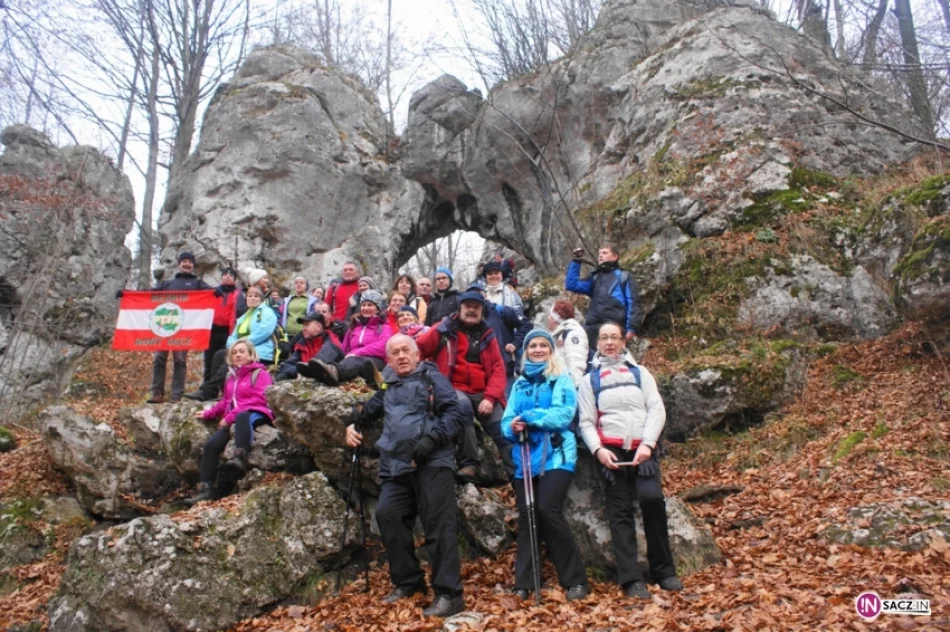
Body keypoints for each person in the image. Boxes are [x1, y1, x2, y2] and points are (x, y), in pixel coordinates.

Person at [345, 335, 466, 617]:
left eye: (405, 351)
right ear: (388, 360)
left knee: (438, 526)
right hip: (395, 467)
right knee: (388, 515)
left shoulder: (431, 378)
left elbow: (456, 413)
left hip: (433, 462)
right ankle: (409, 582)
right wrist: (350, 424)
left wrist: (431, 440)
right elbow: (363, 412)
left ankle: (450, 594)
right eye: (395, 352)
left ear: (416, 354)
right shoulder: (388, 387)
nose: (401, 356)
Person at [577, 322, 684, 598]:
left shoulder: (641, 373)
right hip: (611, 453)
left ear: (624, 342)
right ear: (597, 343)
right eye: (604, 338)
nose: (609, 342)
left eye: (614, 337)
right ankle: (631, 578)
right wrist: (599, 451)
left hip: (643, 451)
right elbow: (586, 422)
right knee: (619, 509)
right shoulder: (590, 381)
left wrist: (648, 444)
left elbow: (656, 409)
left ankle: (665, 571)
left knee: (652, 500)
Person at [501, 329, 590, 601]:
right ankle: (524, 582)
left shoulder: (561, 380)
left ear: (551, 350)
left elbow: (563, 415)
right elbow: (506, 422)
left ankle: (575, 579)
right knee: (528, 516)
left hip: (557, 455)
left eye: (543, 345)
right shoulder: (518, 385)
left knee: (546, 508)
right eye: (533, 346)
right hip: (525, 459)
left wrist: (527, 417)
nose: (538, 349)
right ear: (526, 351)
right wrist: (513, 426)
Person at [416, 288, 512, 479]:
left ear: (482, 311)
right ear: (459, 308)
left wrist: (491, 398)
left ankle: (516, 474)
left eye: (476, 307)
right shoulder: (444, 328)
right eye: (468, 306)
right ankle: (470, 464)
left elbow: (498, 369)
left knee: (502, 427)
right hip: (451, 388)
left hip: (483, 392)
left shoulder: (488, 335)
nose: (471, 310)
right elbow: (418, 348)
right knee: (461, 407)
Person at [186, 340, 274, 505]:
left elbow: (259, 399)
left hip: (257, 412)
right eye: (234, 353)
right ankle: (206, 489)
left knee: (242, 417)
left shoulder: (260, 374)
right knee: (211, 445)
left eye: (242, 352)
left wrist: (229, 416)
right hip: (236, 417)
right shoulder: (231, 377)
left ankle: (240, 456)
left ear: (250, 355)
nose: (238, 355)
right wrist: (209, 413)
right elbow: (226, 401)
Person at [185, 286, 278, 401]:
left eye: (256, 296)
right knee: (219, 355)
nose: (252, 298)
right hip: (242, 348)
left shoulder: (267, 312)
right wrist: (232, 346)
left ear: (261, 299)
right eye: (250, 296)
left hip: (259, 350)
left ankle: (207, 391)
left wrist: (242, 345)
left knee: (230, 361)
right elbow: (233, 335)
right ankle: (218, 392)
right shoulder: (244, 316)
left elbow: (263, 332)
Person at [146, 251, 212, 403]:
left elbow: (211, 293)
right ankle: (157, 392)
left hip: (184, 328)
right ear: (179, 264)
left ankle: (176, 395)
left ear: (193, 265)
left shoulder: (198, 283)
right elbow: (149, 294)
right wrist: (127, 294)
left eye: (190, 262)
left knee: (180, 360)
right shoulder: (167, 284)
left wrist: (221, 291)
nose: (187, 264)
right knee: (159, 358)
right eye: (184, 261)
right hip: (164, 326)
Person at [309, 290, 392, 389]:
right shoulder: (354, 327)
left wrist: (357, 353)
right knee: (332, 346)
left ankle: (336, 372)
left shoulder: (384, 328)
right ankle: (315, 368)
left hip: (374, 362)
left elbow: (383, 347)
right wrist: (344, 355)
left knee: (357, 360)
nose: (366, 308)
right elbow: (344, 347)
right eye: (363, 305)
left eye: (370, 305)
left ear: (377, 309)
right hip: (351, 358)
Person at [565, 244, 641, 352]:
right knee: (591, 364)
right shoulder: (595, 277)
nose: (600, 256)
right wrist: (576, 261)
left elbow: (633, 303)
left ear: (615, 256)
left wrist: (631, 329)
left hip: (615, 329)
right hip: (592, 330)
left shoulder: (624, 276)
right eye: (599, 254)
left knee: (614, 363)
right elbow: (572, 285)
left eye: (604, 253)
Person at [467, 284, 531, 389]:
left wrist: (515, 343)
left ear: (486, 296)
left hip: (505, 370)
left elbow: (526, 324)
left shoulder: (500, 310)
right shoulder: (464, 319)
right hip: (477, 374)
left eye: (479, 294)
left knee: (508, 403)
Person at [275, 311, 343, 381]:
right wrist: (299, 372)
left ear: (318, 327)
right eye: (303, 325)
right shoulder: (302, 343)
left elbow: (318, 365)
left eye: (307, 325)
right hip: (309, 378)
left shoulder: (331, 342)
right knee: (281, 377)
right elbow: (285, 366)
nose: (303, 328)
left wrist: (304, 371)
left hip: (328, 380)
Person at [206, 266, 242, 384]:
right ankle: (207, 385)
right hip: (212, 330)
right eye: (225, 274)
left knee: (224, 359)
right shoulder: (212, 292)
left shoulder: (238, 294)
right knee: (209, 359)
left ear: (235, 279)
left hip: (228, 331)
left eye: (231, 275)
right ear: (221, 277)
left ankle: (223, 386)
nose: (227, 276)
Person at [546, 299, 588, 387]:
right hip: (559, 387)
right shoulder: (558, 334)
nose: (548, 318)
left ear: (555, 318)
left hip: (567, 390)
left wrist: (575, 388)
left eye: (550, 315)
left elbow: (576, 362)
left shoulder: (573, 333)